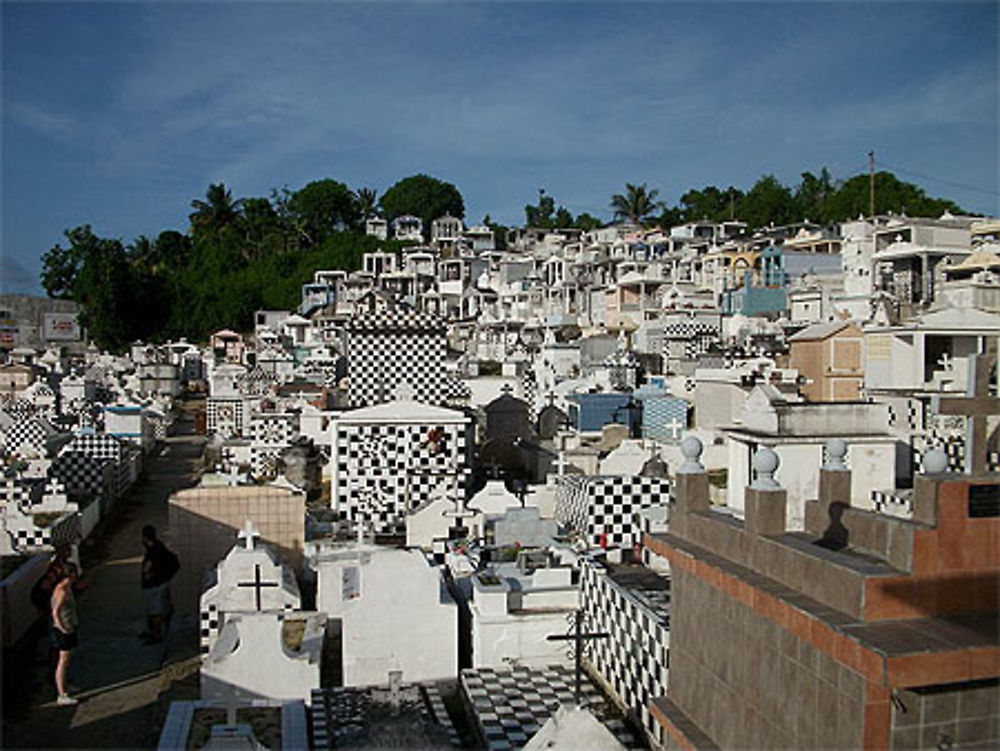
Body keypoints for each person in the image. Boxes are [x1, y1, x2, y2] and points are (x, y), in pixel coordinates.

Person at [140, 525, 177, 645]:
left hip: (154, 585)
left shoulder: (154, 551)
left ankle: (157, 634)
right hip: (158, 583)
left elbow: (148, 568)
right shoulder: (158, 547)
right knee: (155, 610)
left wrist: (148, 574)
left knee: (155, 611)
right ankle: (154, 631)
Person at [50, 563, 80, 706]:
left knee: (67, 660)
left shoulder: (67, 588)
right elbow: (55, 612)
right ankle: (62, 694)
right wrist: (62, 628)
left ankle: (65, 685)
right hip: (64, 629)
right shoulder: (62, 590)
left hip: (70, 626)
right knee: (63, 661)